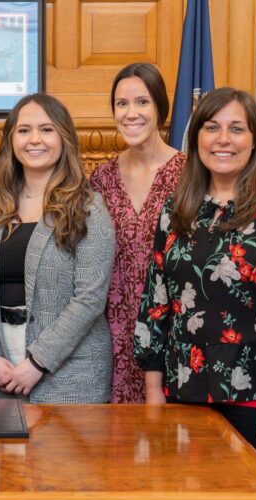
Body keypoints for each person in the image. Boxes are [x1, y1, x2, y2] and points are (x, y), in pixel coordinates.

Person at [135, 88, 256, 480]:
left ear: (254, 140)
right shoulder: (177, 207)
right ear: (196, 137)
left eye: (236, 128)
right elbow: (157, 301)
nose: (223, 139)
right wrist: (154, 392)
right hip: (184, 393)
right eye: (212, 127)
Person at [0, 93, 115, 403]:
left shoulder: (88, 208)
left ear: (63, 137)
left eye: (46, 129)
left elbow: (90, 299)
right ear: (11, 140)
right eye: (24, 130)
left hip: (71, 379)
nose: (34, 140)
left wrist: (38, 362)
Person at [89, 63, 186, 404]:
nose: (131, 113)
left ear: (160, 107)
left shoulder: (191, 176)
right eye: (122, 104)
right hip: (112, 340)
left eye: (142, 102)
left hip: (173, 338)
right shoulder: (99, 180)